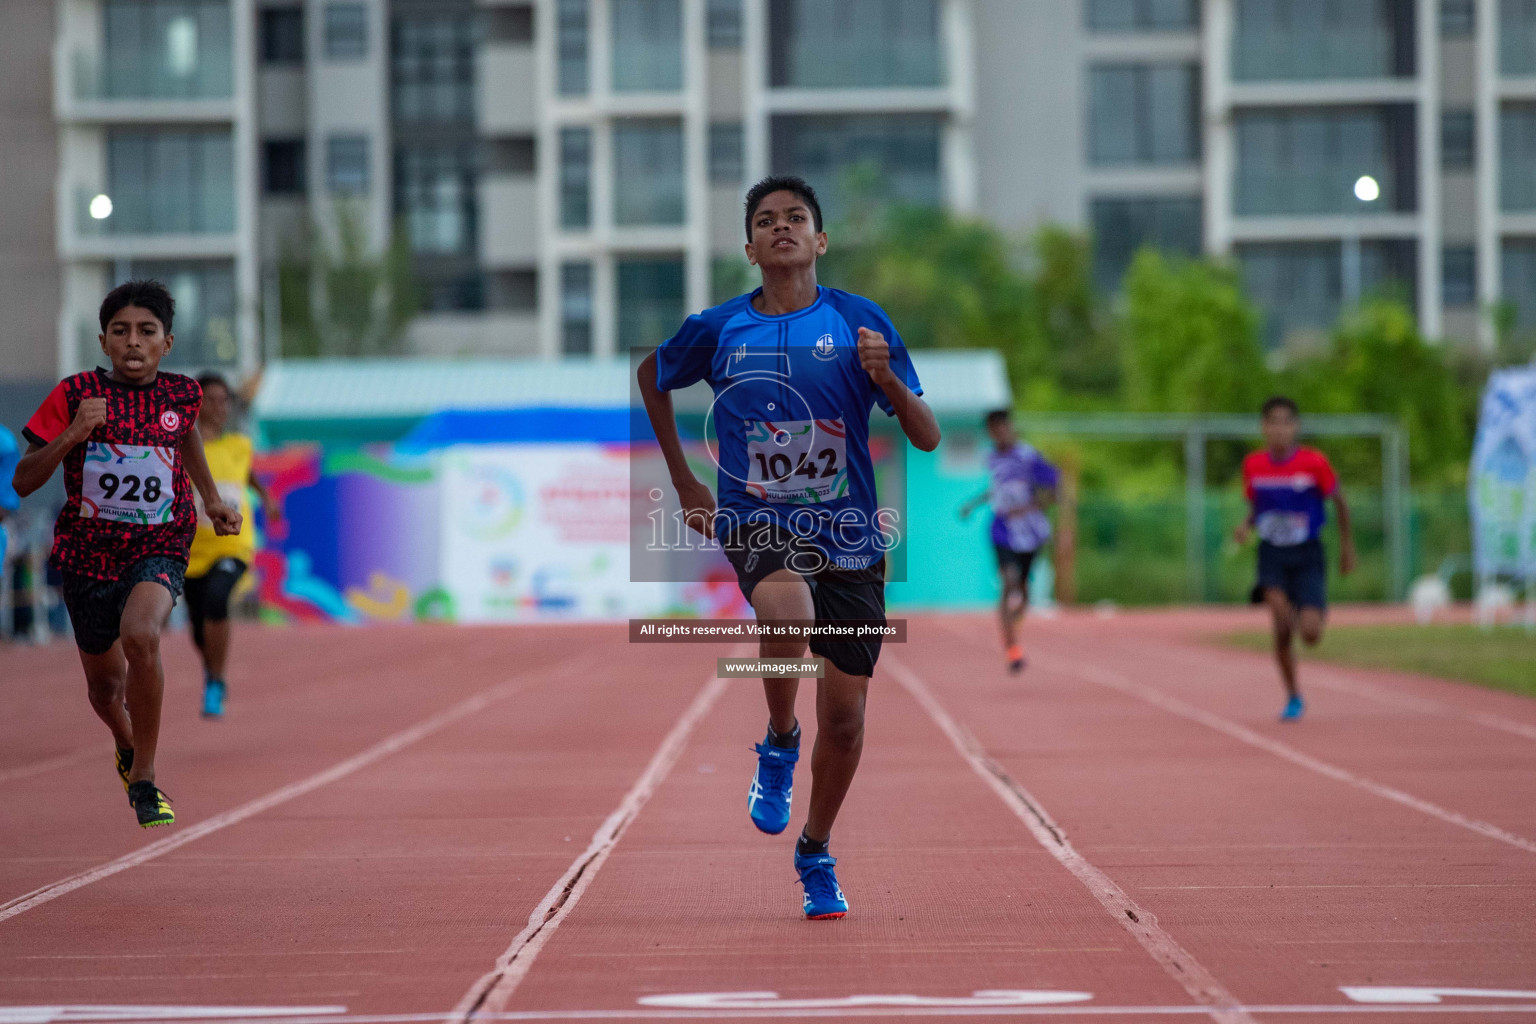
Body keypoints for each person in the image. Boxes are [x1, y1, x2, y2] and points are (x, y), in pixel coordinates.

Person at [637, 175, 939, 920]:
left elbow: (926, 436)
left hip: (848, 535)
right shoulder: (717, 329)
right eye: (766, 221)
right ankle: (778, 740)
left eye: (796, 218)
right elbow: (651, 374)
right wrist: (684, 481)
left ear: (820, 240)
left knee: (847, 719)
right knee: (785, 611)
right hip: (755, 516)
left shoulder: (861, 321)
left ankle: (815, 848)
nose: (782, 228)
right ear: (749, 248)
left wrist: (887, 382)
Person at [12, 280, 241, 828]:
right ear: (103, 341)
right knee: (105, 689)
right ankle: (125, 741)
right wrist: (72, 435)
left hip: (159, 542)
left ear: (166, 343)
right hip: (87, 552)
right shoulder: (74, 395)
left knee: (142, 634)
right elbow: (22, 481)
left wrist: (210, 499)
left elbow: (185, 436)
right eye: (121, 332)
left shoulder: (182, 395)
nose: (133, 342)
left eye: (146, 332)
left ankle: (144, 778)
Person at [1235, 396, 1355, 721]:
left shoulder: (1314, 463)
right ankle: (1293, 696)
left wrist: (1347, 547)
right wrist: (1245, 526)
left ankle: (1310, 611)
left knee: (1311, 635)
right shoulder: (1253, 465)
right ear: (1263, 427)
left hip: (1307, 553)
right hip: (1271, 552)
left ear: (1295, 426)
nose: (1278, 429)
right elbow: (1256, 505)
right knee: (1282, 621)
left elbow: (1340, 502)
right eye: (1272, 422)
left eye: (1285, 422)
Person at [184, 372, 274, 719]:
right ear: (197, 403)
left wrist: (267, 499)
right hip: (192, 551)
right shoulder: (185, 447)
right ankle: (212, 666)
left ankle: (216, 681)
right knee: (198, 628)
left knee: (217, 600)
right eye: (213, 400)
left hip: (233, 545)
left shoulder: (239, 445)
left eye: (226, 400)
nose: (221, 407)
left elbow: (248, 475)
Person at [959, 409, 1058, 673]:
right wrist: (972, 504)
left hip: (1030, 531)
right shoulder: (990, 457)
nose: (998, 433)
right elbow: (997, 488)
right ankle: (1013, 649)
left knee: (1023, 590)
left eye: (1002, 427)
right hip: (1002, 529)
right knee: (1009, 581)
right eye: (993, 429)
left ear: (1010, 427)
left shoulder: (1028, 456)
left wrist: (1033, 507)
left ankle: (1012, 625)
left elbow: (1053, 488)